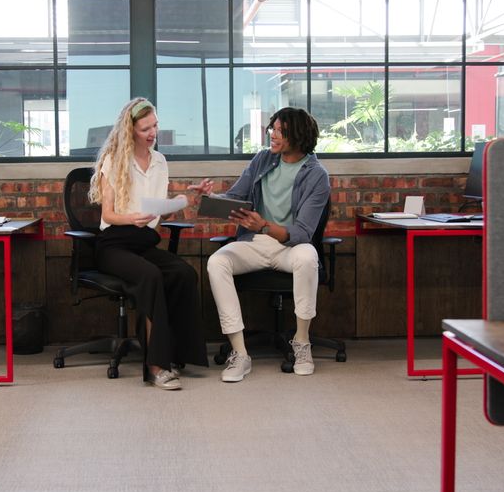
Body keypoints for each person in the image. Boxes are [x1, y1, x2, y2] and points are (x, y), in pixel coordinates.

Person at [90, 97, 214, 390]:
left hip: (144, 241)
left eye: (155, 126)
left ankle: (177, 353)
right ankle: (156, 366)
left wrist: (188, 197)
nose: (152, 132)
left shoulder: (159, 161)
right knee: (151, 276)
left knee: (184, 274)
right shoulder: (114, 160)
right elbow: (108, 215)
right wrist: (130, 218)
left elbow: (160, 210)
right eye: (145, 128)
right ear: (130, 129)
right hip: (114, 243)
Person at [206, 107, 330, 382]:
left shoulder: (317, 175)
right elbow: (236, 196)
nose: (272, 135)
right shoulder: (262, 160)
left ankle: (301, 342)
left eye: (279, 131)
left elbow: (302, 233)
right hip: (255, 242)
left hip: (289, 246)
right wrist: (211, 196)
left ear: (298, 135)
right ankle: (240, 353)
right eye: (271, 129)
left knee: (308, 257)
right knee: (217, 261)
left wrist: (263, 224)